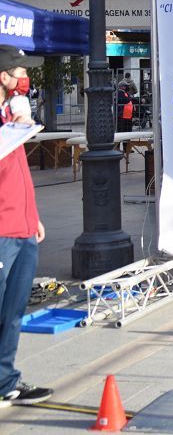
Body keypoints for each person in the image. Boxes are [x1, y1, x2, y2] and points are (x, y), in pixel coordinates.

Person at [0, 46, 53, 407]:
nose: (23, 77)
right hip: (2, 229)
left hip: (22, 226)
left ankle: (6, 381)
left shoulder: (12, 116)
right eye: (17, 70)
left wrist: (33, 216)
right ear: (2, 77)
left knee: (14, 311)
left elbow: (18, 172)